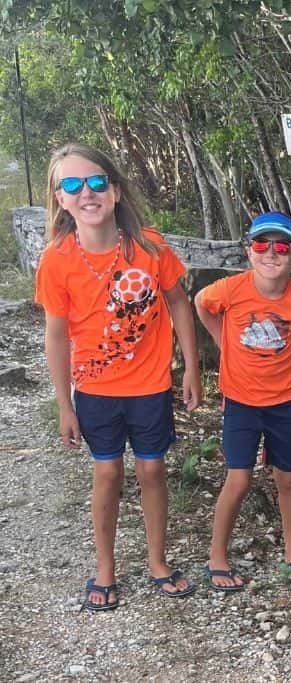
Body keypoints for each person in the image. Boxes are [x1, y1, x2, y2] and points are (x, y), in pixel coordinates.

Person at [36, 143, 203, 611]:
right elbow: (56, 335)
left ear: (114, 190)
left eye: (95, 181)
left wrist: (191, 366)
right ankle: (105, 567)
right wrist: (65, 405)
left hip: (150, 385)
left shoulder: (148, 246)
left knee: (152, 469)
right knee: (107, 473)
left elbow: (178, 303)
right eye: (71, 184)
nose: (85, 192)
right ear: (60, 199)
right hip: (94, 390)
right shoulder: (57, 260)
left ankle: (157, 561)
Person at [195, 212, 291, 591]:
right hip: (240, 402)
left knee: (287, 479)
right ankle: (217, 556)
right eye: (261, 244)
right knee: (238, 480)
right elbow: (200, 303)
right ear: (249, 252)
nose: (271, 253)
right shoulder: (231, 290)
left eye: (282, 246)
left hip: (284, 403)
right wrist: (224, 345)